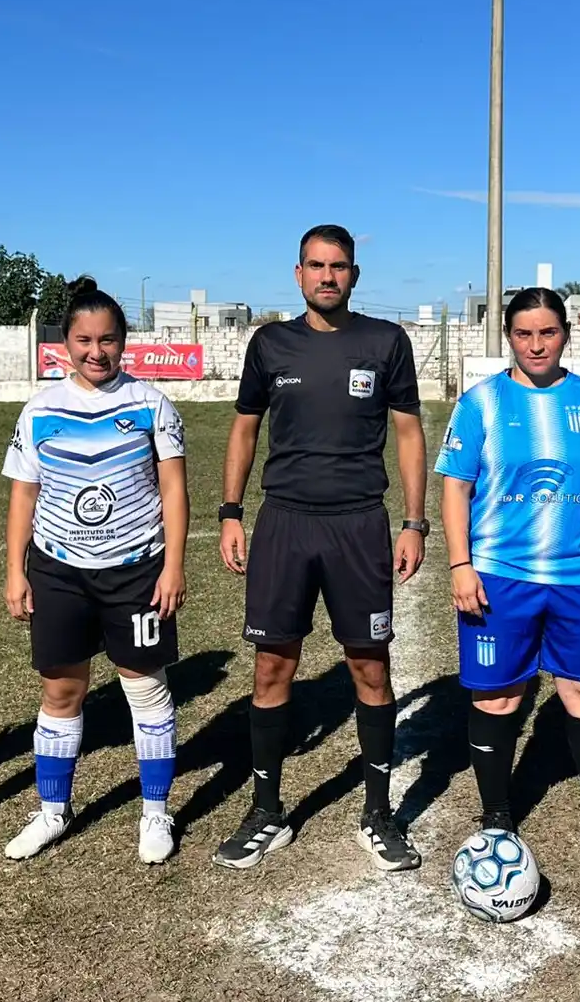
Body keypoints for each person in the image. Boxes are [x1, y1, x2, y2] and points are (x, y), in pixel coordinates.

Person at [212, 224, 429, 872]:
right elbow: (244, 430)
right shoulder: (270, 343)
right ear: (298, 272)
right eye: (316, 265)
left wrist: (414, 521)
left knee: (370, 667)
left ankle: (378, 812)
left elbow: (410, 433)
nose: (327, 275)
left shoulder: (385, 341)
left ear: (354, 275)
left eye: (339, 266)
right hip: (285, 524)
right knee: (272, 666)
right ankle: (267, 809)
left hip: (359, 523)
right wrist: (230, 512)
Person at [437, 287, 580, 873]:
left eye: (547, 332)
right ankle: (497, 812)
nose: (536, 345)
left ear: (565, 335)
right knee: (499, 697)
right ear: (509, 338)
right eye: (524, 334)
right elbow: (455, 484)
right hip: (500, 575)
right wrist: (459, 563)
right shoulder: (481, 403)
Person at [0, 277, 188, 864]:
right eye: (84, 340)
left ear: (124, 342)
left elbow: (174, 490)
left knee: (145, 689)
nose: (96, 352)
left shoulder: (151, 404)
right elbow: (23, 497)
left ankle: (155, 815)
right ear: (64, 344)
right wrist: (15, 570)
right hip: (58, 571)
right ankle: (53, 811)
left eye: (108, 340)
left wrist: (173, 565)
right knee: (61, 690)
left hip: (135, 571)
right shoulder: (40, 410)